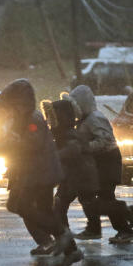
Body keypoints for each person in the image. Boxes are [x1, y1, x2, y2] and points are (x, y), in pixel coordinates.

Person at [0, 79, 82, 266]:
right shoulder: (21, 118)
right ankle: (71, 249)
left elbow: (28, 144)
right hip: (36, 171)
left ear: (18, 102)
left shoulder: (31, 119)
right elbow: (12, 142)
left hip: (39, 172)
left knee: (19, 205)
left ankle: (60, 237)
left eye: (10, 105)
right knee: (42, 210)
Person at [69, 85, 133, 244]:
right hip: (99, 161)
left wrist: (86, 148)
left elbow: (106, 140)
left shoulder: (95, 118)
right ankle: (94, 228)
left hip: (107, 161)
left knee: (105, 197)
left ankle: (125, 224)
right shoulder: (86, 119)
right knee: (89, 196)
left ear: (82, 103)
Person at [42, 98, 98, 241]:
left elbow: (73, 150)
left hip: (79, 175)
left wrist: (55, 157)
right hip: (74, 175)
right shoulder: (62, 132)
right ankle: (69, 232)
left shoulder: (68, 133)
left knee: (66, 202)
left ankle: (65, 234)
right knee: (81, 202)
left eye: (51, 117)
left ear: (60, 117)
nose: (49, 120)